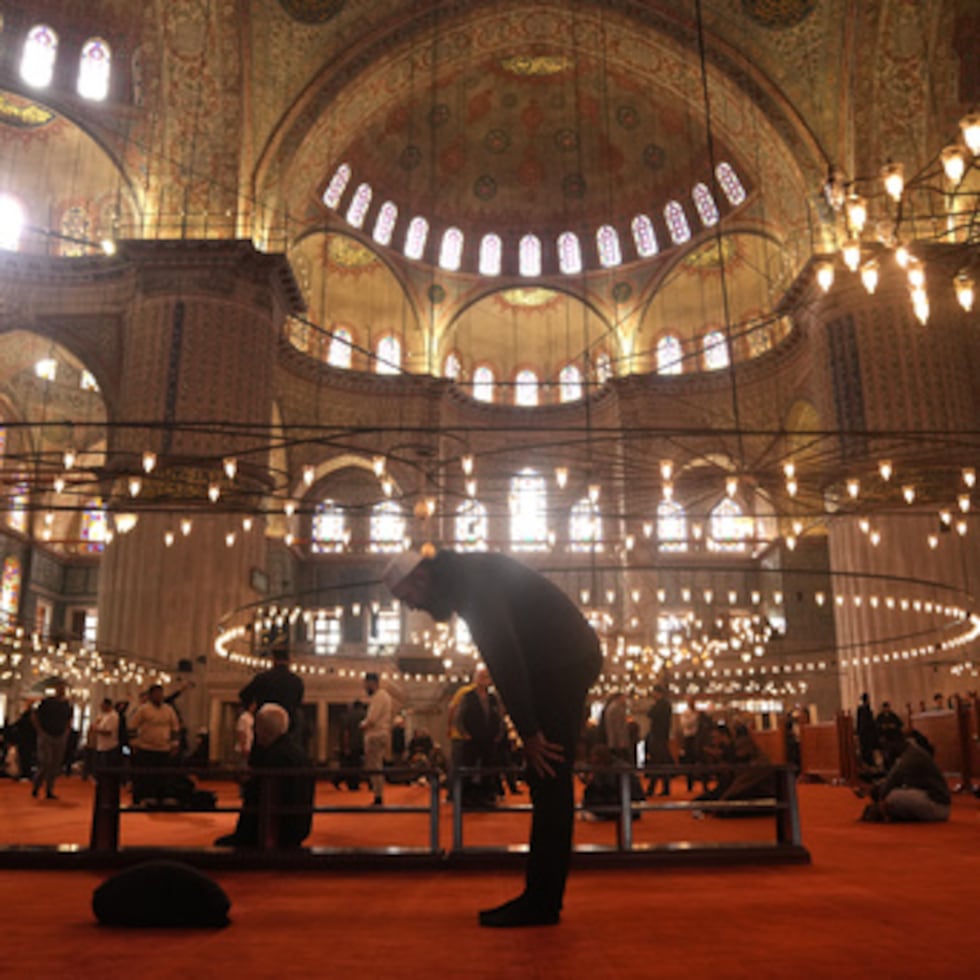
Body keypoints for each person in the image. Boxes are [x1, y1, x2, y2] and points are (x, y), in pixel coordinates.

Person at [384, 548, 602, 928]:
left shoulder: (471, 584)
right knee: (546, 777)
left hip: (562, 662)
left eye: (408, 598)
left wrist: (531, 732)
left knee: (549, 773)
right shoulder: (465, 577)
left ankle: (542, 902)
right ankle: (542, 897)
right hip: (557, 659)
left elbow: (504, 657)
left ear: (421, 578)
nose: (412, 608)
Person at [215, 703, 315, 849]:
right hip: (300, 828)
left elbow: (259, 798)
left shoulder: (273, 756)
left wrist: (247, 782)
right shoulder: (300, 754)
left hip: (275, 832)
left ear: (262, 730)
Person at [857, 727, 951, 823]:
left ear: (894, 742)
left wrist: (879, 801)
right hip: (934, 802)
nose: (886, 750)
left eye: (886, 746)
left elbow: (890, 783)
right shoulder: (911, 752)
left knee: (894, 797)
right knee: (897, 794)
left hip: (938, 806)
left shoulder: (909, 758)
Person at [458, 665, 505, 807]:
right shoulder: (468, 696)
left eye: (486, 677)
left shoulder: (493, 698)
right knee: (469, 768)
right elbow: (459, 717)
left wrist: (499, 733)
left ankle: (487, 796)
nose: (484, 680)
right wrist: (464, 733)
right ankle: (467, 798)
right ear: (475, 679)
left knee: (489, 768)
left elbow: (500, 717)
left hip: (490, 738)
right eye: (482, 677)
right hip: (472, 738)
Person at [238, 644, 305, 743]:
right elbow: (298, 703)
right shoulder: (296, 681)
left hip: (264, 728)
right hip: (288, 730)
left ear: (273, 660)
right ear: (289, 661)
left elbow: (243, 695)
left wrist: (254, 712)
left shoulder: (262, 678)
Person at [128, 683, 181, 804]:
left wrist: (174, 744)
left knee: (163, 776)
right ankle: (147, 796)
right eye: (156, 694)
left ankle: (162, 797)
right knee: (147, 776)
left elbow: (175, 728)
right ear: (151, 695)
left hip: (164, 748)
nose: (159, 696)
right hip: (146, 748)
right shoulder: (143, 710)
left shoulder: (169, 710)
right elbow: (132, 727)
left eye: (160, 694)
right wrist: (134, 743)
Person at [31, 682, 72, 800]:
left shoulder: (66, 705)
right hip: (47, 735)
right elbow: (34, 715)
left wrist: (66, 732)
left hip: (60, 736)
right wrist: (40, 731)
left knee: (55, 765)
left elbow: (69, 720)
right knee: (46, 763)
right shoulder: (47, 702)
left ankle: (49, 789)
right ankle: (37, 786)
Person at [360, 671, 393, 806]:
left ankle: (378, 796)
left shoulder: (379, 697)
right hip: (381, 734)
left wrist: (362, 725)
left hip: (376, 734)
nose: (364, 687)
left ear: (371, 683)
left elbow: (372, 719)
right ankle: (378, 795)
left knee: (375, 766)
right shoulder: (384, 696)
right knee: (376, 765)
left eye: (365, 684)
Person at [645, 684, 674, 797]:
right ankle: (665, 788)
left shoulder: (661, 704)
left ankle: (652, 788)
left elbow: (650, 714)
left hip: (658, 737)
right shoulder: (666, 704)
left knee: (656, 763)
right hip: (663, 737)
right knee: (662, 764)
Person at [91, 697, 122, 774]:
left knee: (106, 771)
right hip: (102, 746)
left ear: (106, 705)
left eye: (102, 705)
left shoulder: (113, 716)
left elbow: (109, 732)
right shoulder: (105, 716)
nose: (100, 707)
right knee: (100, 770)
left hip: (109, 747)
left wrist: (96, 729)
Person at [855, 692, 879, 767]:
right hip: (865, 733)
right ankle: (868, 763)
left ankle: (870, 762)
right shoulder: (862, 709)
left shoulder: (865, 709)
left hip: (867, 733)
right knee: (866, 749)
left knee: (868, 749)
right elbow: (862, 722)